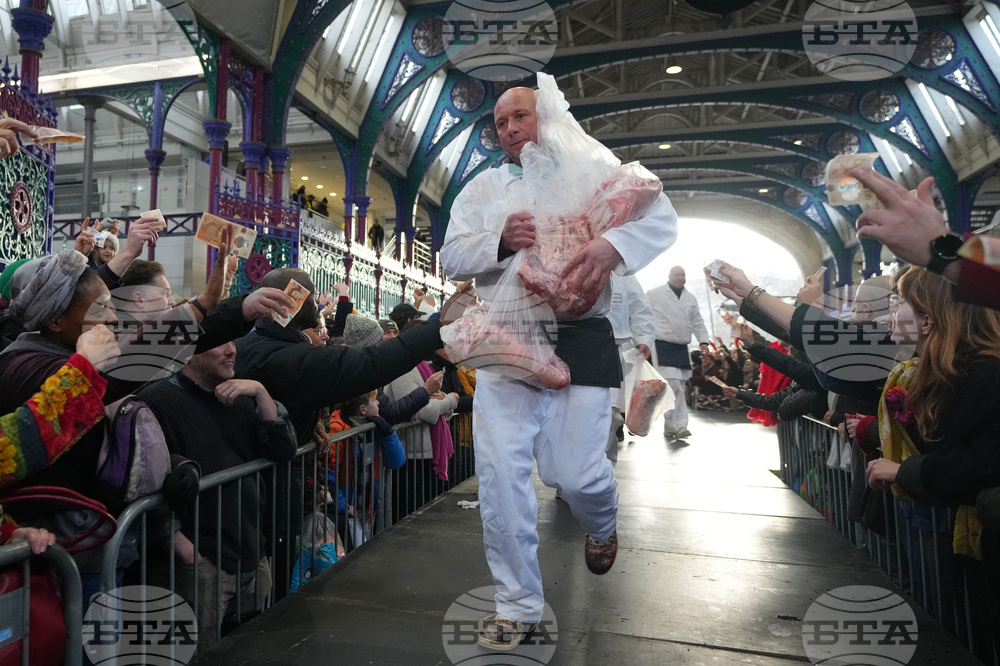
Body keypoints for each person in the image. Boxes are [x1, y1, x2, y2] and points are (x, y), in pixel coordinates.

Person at [439, 83, 677, 649]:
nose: (510, 128)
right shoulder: (486, 188)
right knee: (500, 479)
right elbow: (449, 256)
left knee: (574, 474)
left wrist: (611, 246)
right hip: (508, 343)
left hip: (582, 339)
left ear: (547, 114)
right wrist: (497, 241)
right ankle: (516, 605)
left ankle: (602, 520)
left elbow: (660, 216)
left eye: (520, 115)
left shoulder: (595, 169)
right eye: (500, 123)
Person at [140, 341, 296, 648]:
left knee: (250, 650)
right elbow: (141, 482)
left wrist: (261, 393)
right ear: (189, 351)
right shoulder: (157, 401)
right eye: (218, 343)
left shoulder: (240, 396)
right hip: (201, 564)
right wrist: (187, 552)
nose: (232, 350)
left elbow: (284, 450)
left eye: (233, 341)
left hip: (250, 553)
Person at [646, 266, 710, 439]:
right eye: (677, 274)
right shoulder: (654, 294)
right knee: (672, 385)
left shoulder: (690, 298)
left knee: (680, 386)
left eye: (683, 274)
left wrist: (704, 341)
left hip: (682, 347)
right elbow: (643, 316)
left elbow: (697, 321)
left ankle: (677, 427)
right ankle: (675, 424)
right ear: (669, 276)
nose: (680, 277)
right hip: (662, 344)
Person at [606, 274, 653, 461]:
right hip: (572, 345)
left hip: (615, 347)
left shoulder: (622, 272)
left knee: (609, 413)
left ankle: (601, 476)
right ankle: (569, 482)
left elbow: (640, 306)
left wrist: (643, 338)